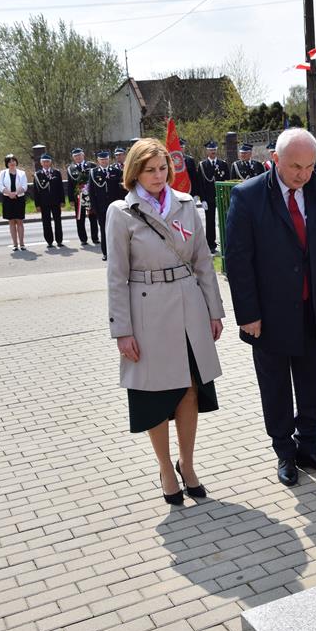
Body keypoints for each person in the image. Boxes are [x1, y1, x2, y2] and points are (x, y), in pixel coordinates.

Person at [106, 137, 225, 505]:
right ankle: (164, 468)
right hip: (148, 312)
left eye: (162, 169)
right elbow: (116, 275)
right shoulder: (122, 212)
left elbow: (203, 261)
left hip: (189, 305)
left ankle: (187, 464)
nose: (158, 176)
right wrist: (122, 331)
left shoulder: (186, 205)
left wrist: (214, 310)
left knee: (189, 388)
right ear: (134, 173)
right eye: (149, 170)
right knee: (157, 395)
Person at [225, 128, 316, 487]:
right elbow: (238, 260)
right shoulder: (247, 196)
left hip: (312, 307)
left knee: (310, 381)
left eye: (310, 166)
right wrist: (248, 315)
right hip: (269, 314)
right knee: (275, 386)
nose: (303, 174)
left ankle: (310, 445)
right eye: (295, 166)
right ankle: (284, 451)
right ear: (275, 159)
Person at [88, 150, 122, 261]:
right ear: (98, 161)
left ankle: (117, 253)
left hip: (115, 207)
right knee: (104, 231)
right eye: (102, 160)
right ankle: (106, 252)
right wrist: (94, 208)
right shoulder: (93, 173)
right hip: (101, 208)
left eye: (106, 159)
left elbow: (120, 191)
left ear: (109, 159)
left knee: (117, 231)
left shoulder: (116, 171)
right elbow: (92, 192)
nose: (104, 161)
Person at [197, 140, 229, 253]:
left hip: (221, 197)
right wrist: (203, 199)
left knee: (224, 220)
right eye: (211, 150)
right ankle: (211, 244)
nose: (213, 152)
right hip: (209, 198)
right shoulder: (202, 165)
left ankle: (226, 242)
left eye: (214, 150)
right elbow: (200, 183)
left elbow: (227, 180)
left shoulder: (223, 164)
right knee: (210, 222)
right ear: (207, 151)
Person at [67, 148, 99, 245]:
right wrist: (71, 199)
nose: (78, 157)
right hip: (78, 197)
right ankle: (83, 239)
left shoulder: (92, 165)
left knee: (93, 218)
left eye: (79, 155)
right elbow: (70, 185)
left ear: (83, 155)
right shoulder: (71, 168)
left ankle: (95, 238)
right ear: (73, 157)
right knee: (80, 219)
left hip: (90, 196)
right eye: (75, 156)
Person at [33, 153, 65, 248]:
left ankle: (59, 240)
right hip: (44, 202)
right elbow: (35, 190)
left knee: (58, 221)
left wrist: (62, 201)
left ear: (50, 162)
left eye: (47, 161)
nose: (46, 163)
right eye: (44, 162)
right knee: (46, 222)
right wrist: (37, 204)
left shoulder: (56, 173)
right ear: (41, 163)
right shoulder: (37, 175)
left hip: (56, 201)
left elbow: (61, 188)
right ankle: (49, 241)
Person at [0, 155, 28, 252]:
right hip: (7, 199)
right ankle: (15, 244)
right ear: (7, 163)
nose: (12, 163)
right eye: (9, 161)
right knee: (11, 222)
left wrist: (15, 193)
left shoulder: (22, 173)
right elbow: (0, 186)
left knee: (19, 221)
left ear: (16, 162)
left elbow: (24, 186)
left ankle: (22, 244)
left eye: (13, 161)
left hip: (19, 199)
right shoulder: (3, 173)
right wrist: (9, 193)